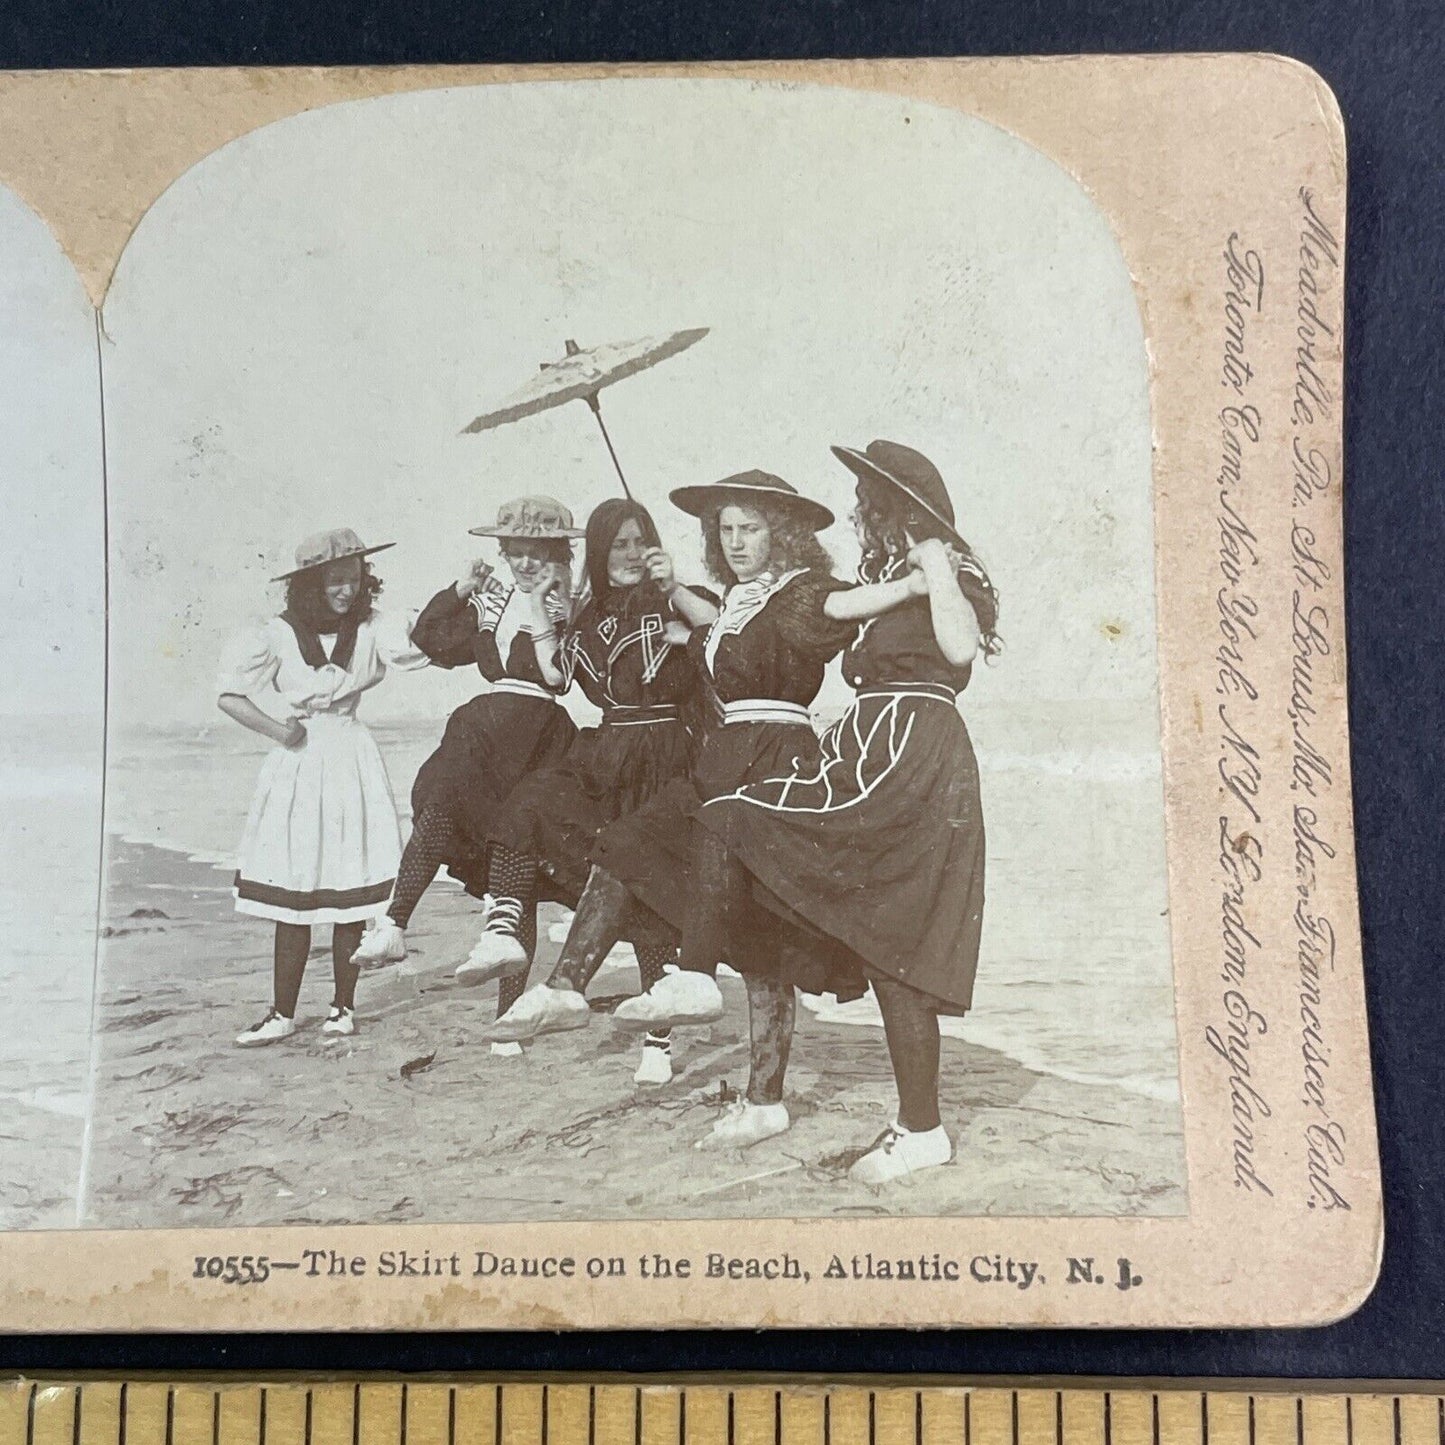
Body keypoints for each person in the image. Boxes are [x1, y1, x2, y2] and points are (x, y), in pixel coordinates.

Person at [489, 472, 852, 1112]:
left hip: (768, 761)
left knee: (763, 942)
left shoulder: (790, 595)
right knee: (633, 854)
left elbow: (804, 621)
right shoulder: (733, 597)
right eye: (726, 530)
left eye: (750, 528)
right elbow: (706, 641)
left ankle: (761, 1098)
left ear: (783, 533)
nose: (735, 541)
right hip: (723, 763)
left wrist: (677, 594)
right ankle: (569, 984)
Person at [694, 441, 1001, 1180]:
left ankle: (919, 1127)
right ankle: (914, 1123)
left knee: (888, 930)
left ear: (902, 509)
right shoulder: (885, 579)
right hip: (867, 747)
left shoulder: (948, 571)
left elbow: (958, 649)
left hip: (913, 754)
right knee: (874, 927)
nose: (863, 515)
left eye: (871, 502)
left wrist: (934, 565)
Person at [468, 497, 719, 1084]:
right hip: (608, 754)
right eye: (618, 545)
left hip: (667, 753)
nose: (630, 554)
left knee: (650, 894)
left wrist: (674, 583)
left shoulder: (672, 598)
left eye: (640, 542)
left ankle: (657, 1041)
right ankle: (503, 924)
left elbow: (718, 625)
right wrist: (536, 606)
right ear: (600, 555)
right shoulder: (583, 616)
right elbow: (556, 675)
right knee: (528, 805)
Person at [217, 528, 431, 1046]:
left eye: (354, 580)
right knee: (297, 888)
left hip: (352, 757)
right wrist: (280, 729)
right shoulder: (276, 634)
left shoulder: (374, 627)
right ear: (311, 584)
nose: (346, 591)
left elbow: (423, 645)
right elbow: (229, 694)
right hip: (299, 760)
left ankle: (342, 1006)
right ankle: (282, 1013)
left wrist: (462, 596)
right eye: (335, 581)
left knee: (349, 889)